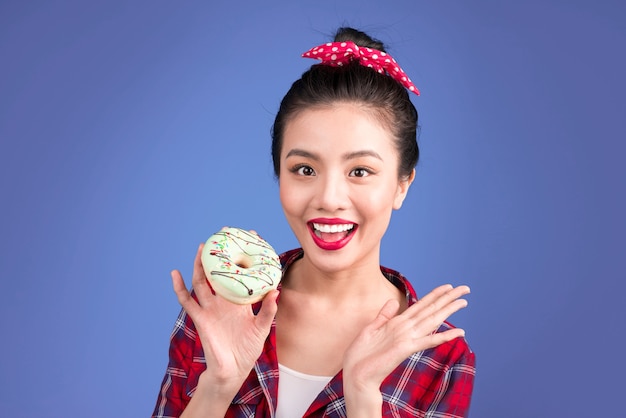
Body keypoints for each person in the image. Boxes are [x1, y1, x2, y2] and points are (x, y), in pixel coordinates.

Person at [152, 27, 475, 418]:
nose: (328, 199)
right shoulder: (222, 307)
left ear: (402, 185)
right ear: (279, 175)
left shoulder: (440, 356)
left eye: (360, 171)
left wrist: (362, 395)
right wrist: (218, 386)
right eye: (304, 169)